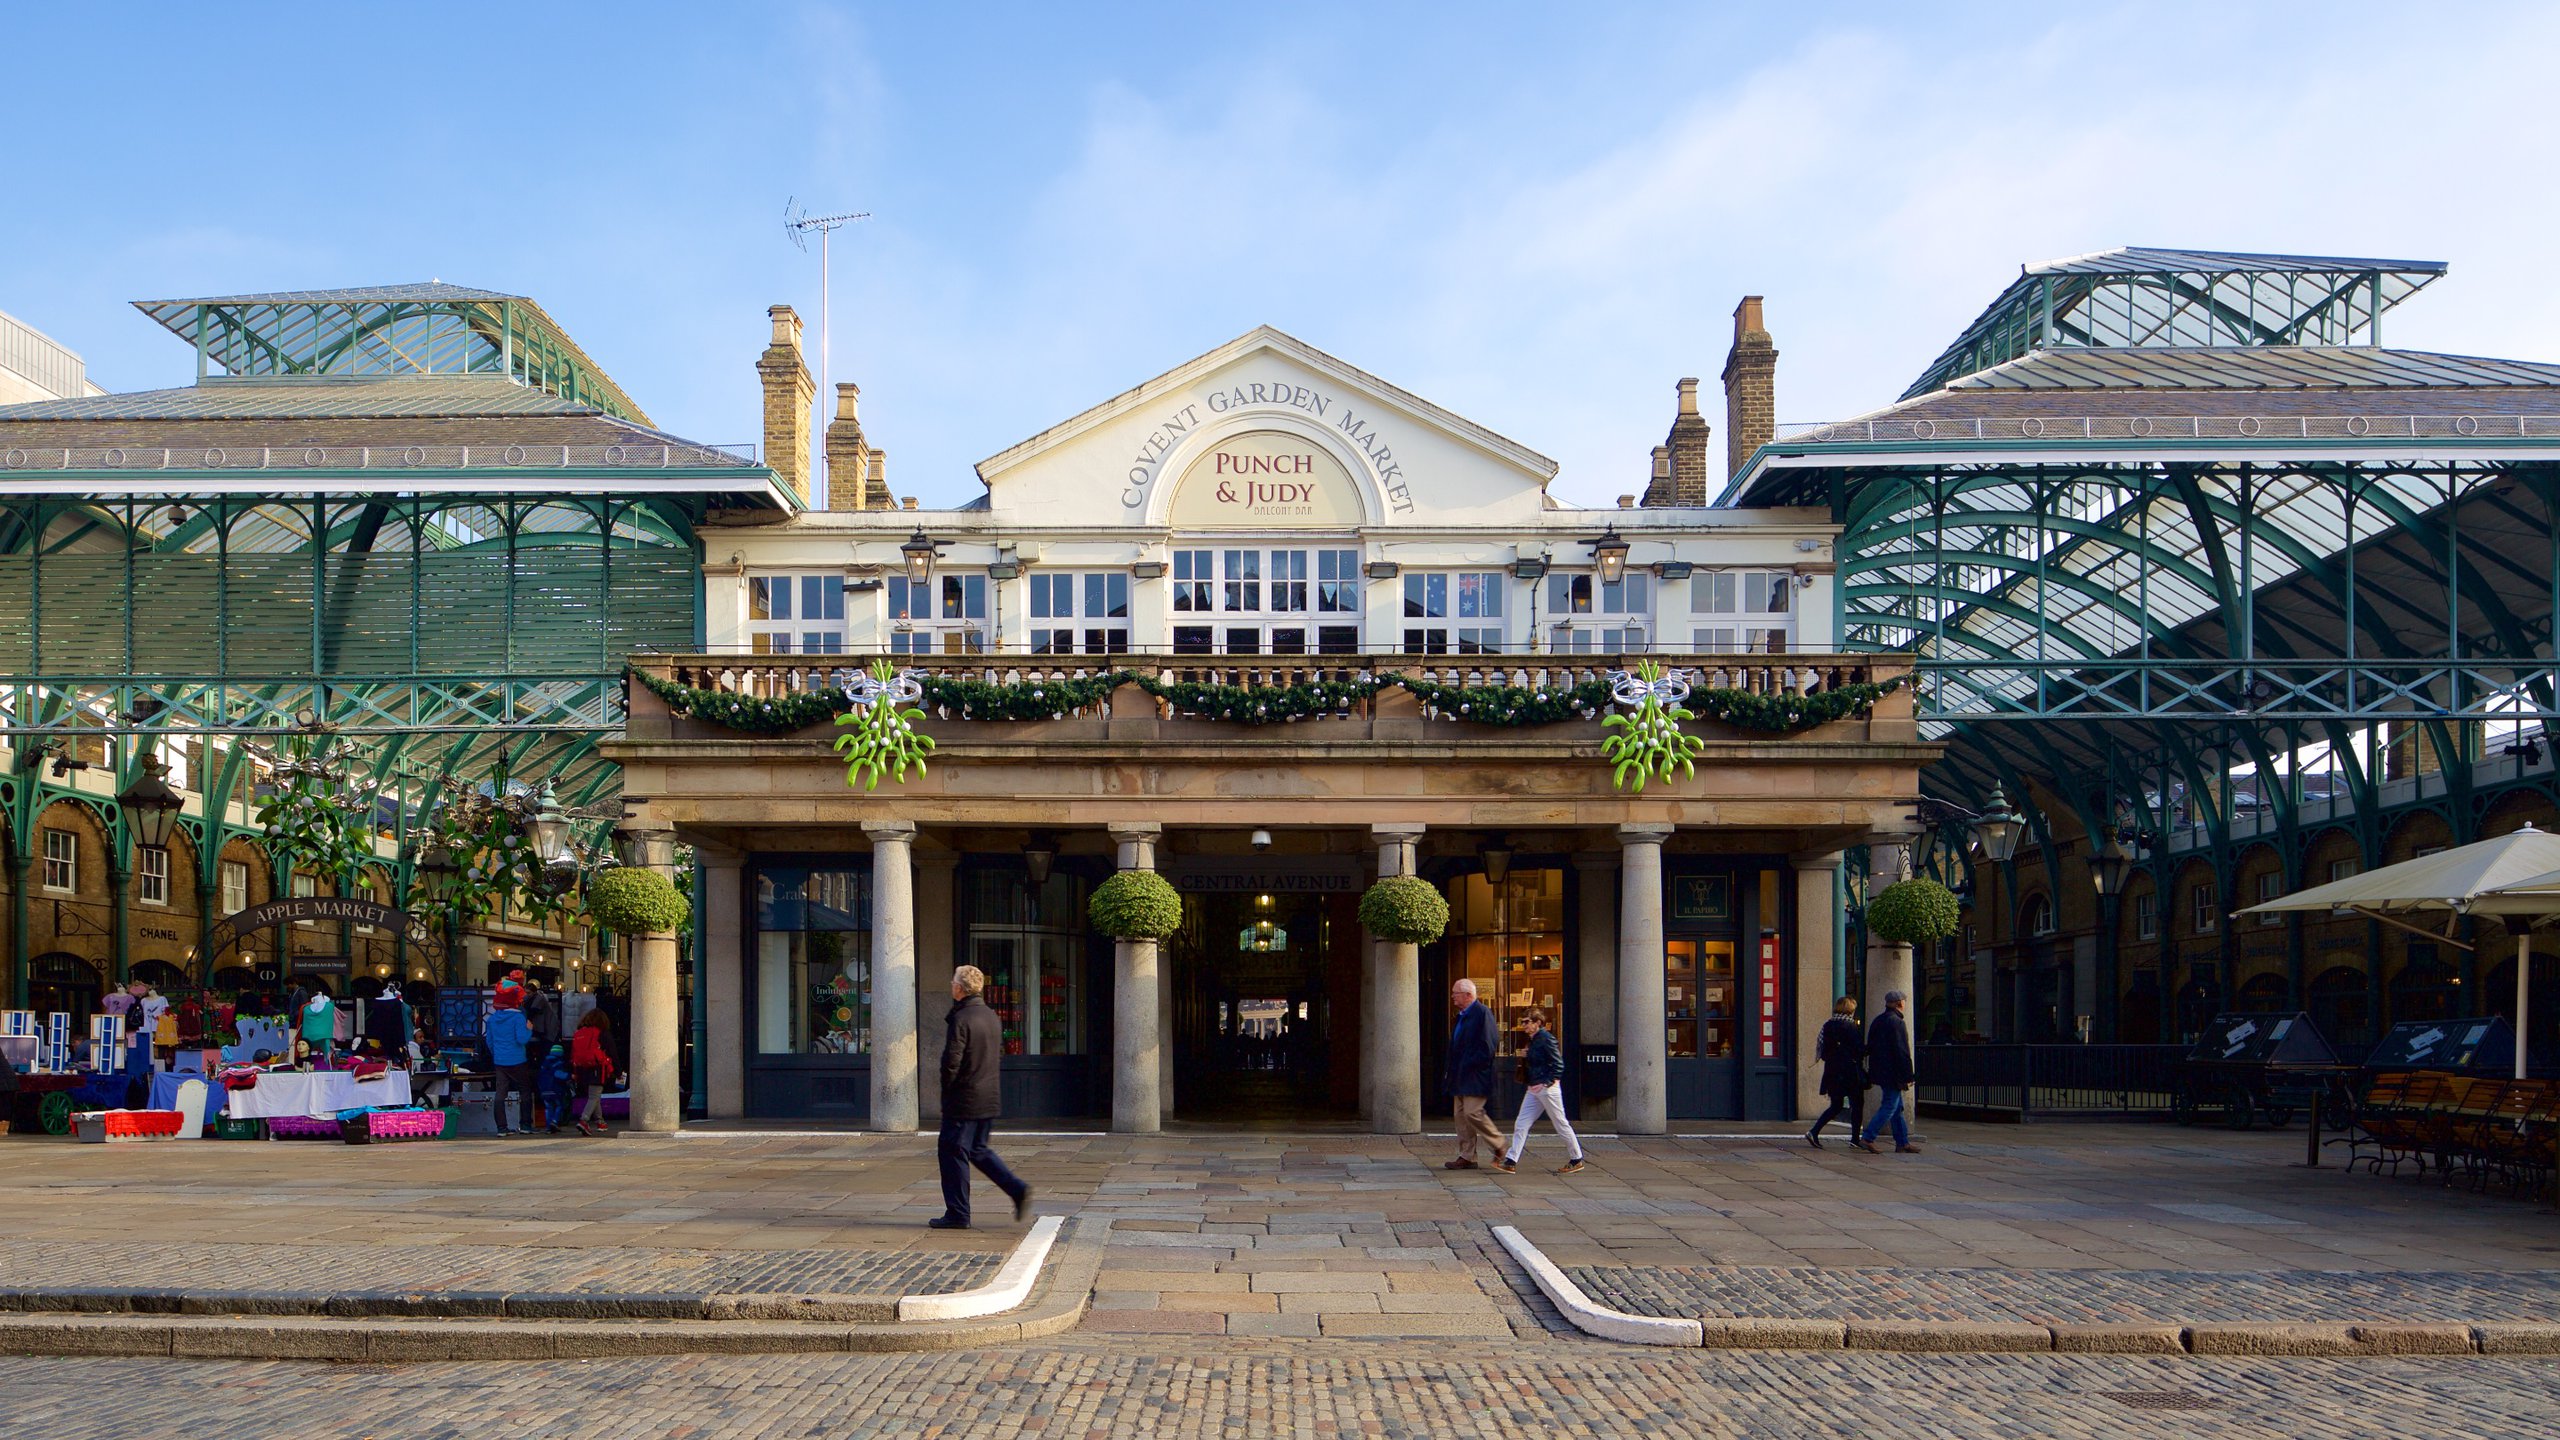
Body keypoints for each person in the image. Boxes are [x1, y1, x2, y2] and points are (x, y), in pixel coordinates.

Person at [930, 964, 1029, 1230]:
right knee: (977, 1149)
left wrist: (947, 1092)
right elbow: (998, 1054)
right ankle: (1016, 1188)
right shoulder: (990, 1015)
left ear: (960, 988)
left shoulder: (961, 1018)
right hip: (988, 1094)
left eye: (953, 982)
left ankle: (957, 1213)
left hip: (965, 1098)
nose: (951, 985)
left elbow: (952, 1061)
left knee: (952, 1152)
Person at [1494, 1009, 1584, 1175]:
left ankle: (1576, 1158)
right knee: (1521, 1123)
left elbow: (1558, 1064)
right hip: (1534, 1088)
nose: (1524, 1025)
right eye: (1523, 1022)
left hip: (1546, 1089)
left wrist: (1547, 1082)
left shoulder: (1546, 1039)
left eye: (1527, 1022)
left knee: (1560, 1123)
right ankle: (1511, 1160)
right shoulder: (1534, 1040)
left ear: (1537, 1023)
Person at [1442, 978, 1502, 1170]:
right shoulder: (1461, 1016)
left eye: (1455, 993)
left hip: (1475, 1075)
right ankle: (1467, 1155)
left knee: (1472, 1112)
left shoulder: (1482, 1013)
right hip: (1459, 1075)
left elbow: (1488, 1045)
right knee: (1460, 1116)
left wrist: (1470, 1064)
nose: (1452, 996)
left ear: (1468, 995)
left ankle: (1499, 1144)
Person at [1854, 989, 1919, 1155]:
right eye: (1904, 1001)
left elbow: (1871, 1046)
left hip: (1880, 1070)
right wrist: (1908, 1075)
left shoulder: (1878, 1020)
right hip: (1893, 1071)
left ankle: (1902, 1142)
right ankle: (1868, 1137)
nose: (1904, 1003)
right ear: (1899, 1003)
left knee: (1897, 1107)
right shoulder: (1896, 1022)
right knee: (1890, 1105)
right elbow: (1901, 1051)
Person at [1805, 996, 1866, 1148]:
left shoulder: (1828, 1025)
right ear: (1849, 1010)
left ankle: (1814, 1131)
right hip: (1850, 1072)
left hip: (1832, 1071)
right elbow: (1858, 1050)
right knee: (1857, 1104)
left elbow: (1823, 1051)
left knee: (1836, 1105)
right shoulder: (1850, 1027)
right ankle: (1855, 1139)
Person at [484, 980, 538, 1136]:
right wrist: (529, 1029)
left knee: (500, 1093)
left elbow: (490, 1041)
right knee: (525, 1091)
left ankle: (501, 1128)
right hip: (518, 1059)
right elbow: (522, 1039)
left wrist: (497, 1054)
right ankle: (526, 1125)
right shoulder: (518, 1018)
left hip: (500, 1061)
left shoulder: (492, 1019)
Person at [569, 1010, 618, 1136]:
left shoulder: (579, 1033)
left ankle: (600, 1121)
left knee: (594, 1096)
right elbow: (612, 1052)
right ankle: (584, 1120)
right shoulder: (602, 1033)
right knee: (594, 1096)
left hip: (582, 1068)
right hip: (597, 1067)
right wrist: (618, 1070)